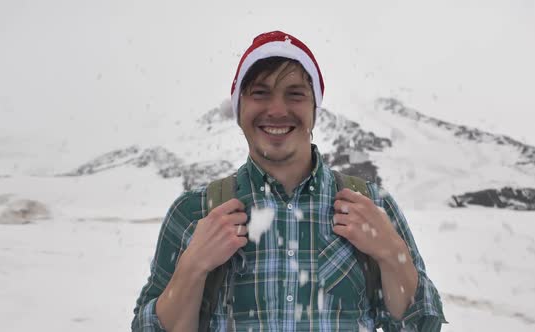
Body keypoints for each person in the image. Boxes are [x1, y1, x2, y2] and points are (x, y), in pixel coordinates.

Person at [132, 31, 446, 331]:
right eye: (260, 93)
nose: (278, 110)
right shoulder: (194, 212)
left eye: (295, 94)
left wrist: (391, 253)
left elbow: (418, 326)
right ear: (239, 109)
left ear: (315, 109)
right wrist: (193, 266)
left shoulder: (372, 207)